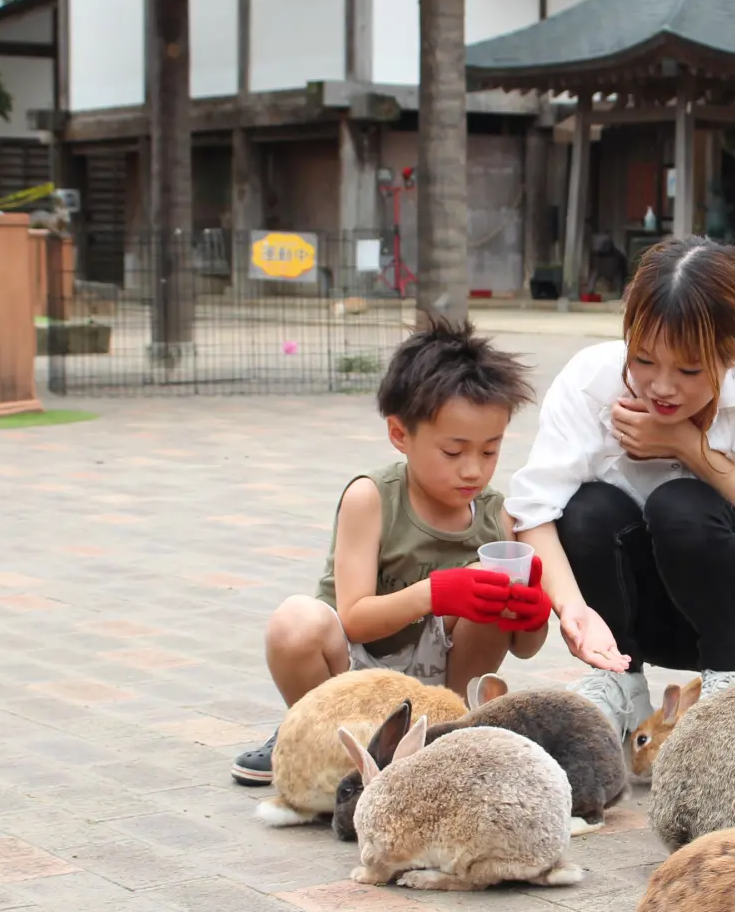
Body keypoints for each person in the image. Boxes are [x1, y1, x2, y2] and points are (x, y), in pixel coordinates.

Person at [505, 236, 735, 737]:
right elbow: (532, 511)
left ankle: (731, 686)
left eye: (689, 369)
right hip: (632, 620)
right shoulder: (591, 379)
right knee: (586, 508)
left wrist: (688, 447)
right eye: (643, 359)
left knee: (681, 504)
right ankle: (617, 681)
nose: (661, 386)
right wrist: (573, 609)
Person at [231, 320, 551, 784]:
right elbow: (355, 618)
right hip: (354, 673)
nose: (473, 470)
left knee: (490, 594)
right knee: (294, 622)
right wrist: (435, 592)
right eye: (453, 451)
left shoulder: (496, 516)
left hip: (438, 690)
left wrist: (533, 616)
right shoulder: (371, 498)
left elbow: (524, 649)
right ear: (400, 434)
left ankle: (447, 737)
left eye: (489, 452)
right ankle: (313, 733)